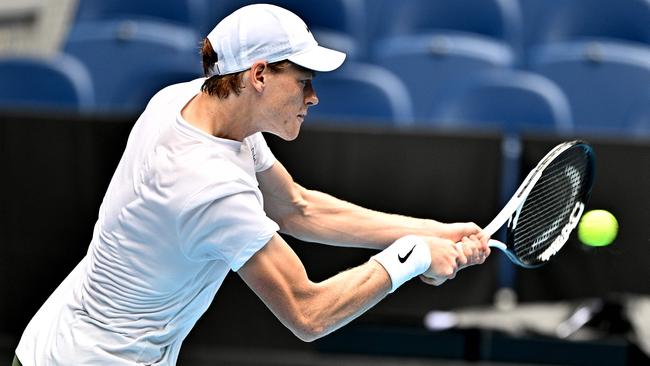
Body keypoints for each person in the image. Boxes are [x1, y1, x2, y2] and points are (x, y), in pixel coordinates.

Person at [14, 4, 490, 365]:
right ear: (259, 74)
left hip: (53, 343)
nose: (314, 96)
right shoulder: (210, 189)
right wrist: (412, 258)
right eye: (303, 81)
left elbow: (297, 208)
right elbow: (309, 312)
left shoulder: (187, 102)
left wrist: (434, 230)